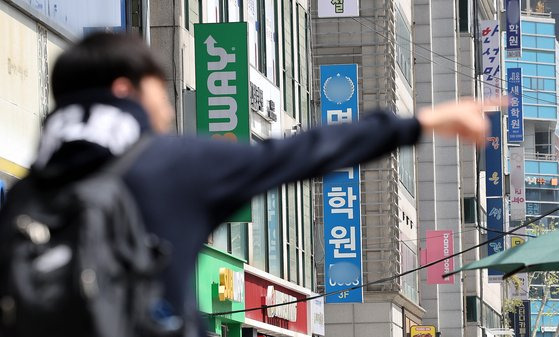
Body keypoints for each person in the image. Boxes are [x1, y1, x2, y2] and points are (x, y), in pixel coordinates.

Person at [18, 33, 496, 335]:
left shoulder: (28, 192)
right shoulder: (169, 163)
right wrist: (422, 122)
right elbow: (302, 152)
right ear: (125, 91)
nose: (164, 108)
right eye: (158, 91)